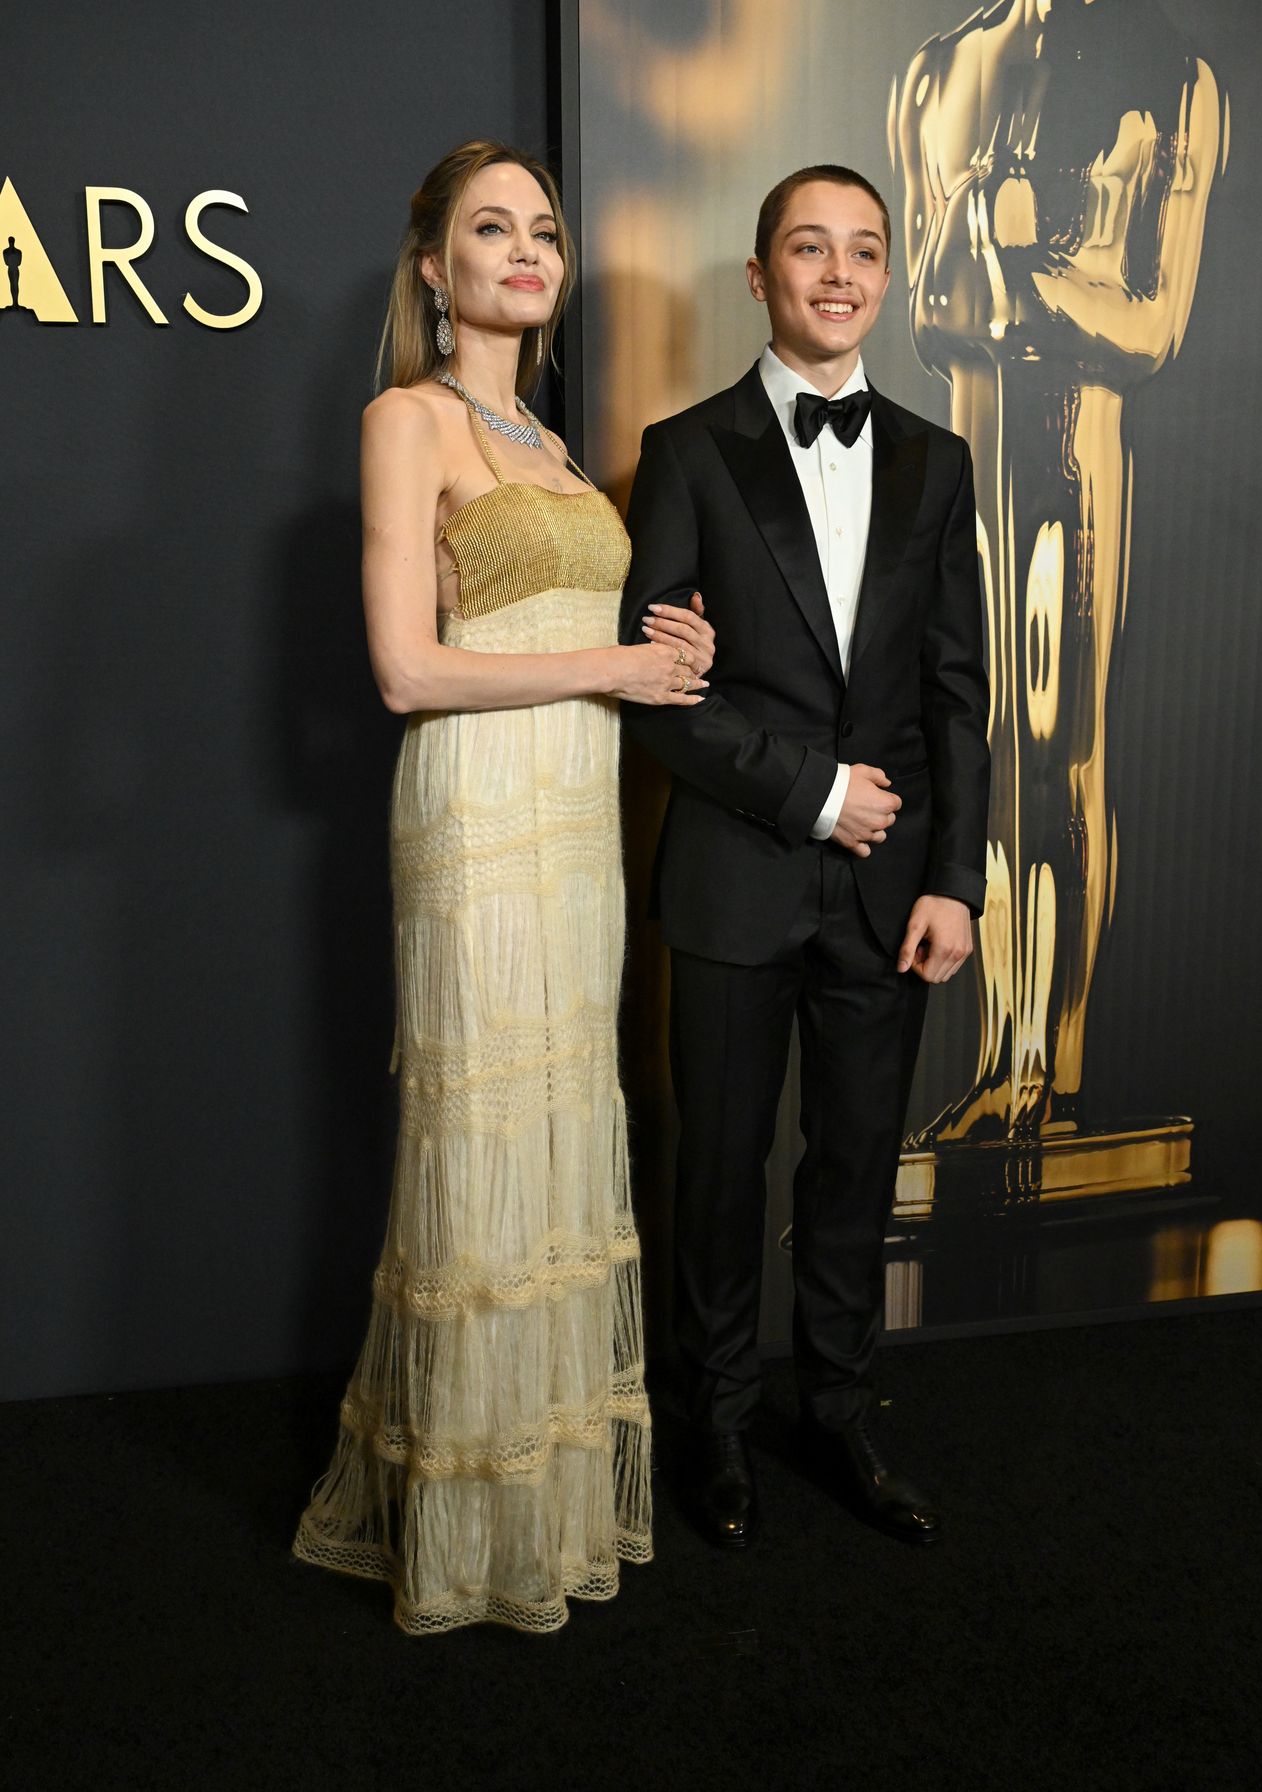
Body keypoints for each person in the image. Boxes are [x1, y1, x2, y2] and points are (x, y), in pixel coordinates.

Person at [292, 139, 715, 1635]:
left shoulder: (544, 438)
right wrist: (619, 664)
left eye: (543, 228)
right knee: (484, 1133)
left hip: (578, 816)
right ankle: (471, 1541)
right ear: (435, 265)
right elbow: (405, 670)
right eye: (492, 228)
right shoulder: (407, 419)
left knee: (559, 1126)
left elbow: (561, 620)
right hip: (477, 814)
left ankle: (546, 1500)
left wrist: (671, 652)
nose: (527, 250)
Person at [619, 164, 989, 1549]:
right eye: (810, 249)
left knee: (854, 1167)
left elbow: (961, 690)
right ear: (762, 275)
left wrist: (956, 877)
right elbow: (661, 686)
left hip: (895, 894)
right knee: (718, 1170)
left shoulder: (940, 461)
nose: (840, 274)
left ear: (886, 277)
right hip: (734, 874)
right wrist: (815, 792)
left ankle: (835, 1411)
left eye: (867, 252)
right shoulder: (687, 449)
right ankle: (712, 1424)